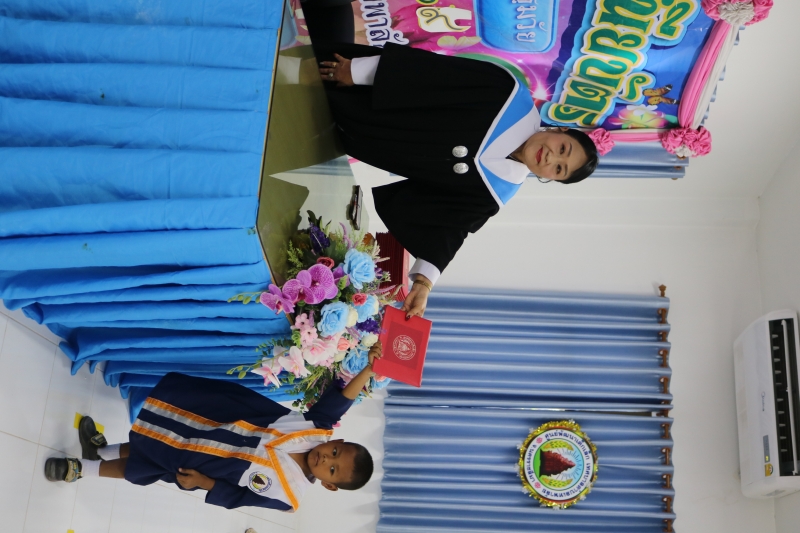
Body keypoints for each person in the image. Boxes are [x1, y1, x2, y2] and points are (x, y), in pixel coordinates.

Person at [302, 5, 599, 318]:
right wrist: (357, 71)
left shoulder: (497, 190)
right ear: (560, 130)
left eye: (559, 169)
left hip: (347, 138)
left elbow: (450, 229)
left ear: (551, 178)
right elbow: (431, 72)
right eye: (563, 148)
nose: (551, 157)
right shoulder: (506, 93)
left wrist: (424, 283)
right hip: (350, 89)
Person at [44, 342, 384, 511]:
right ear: (336, 440)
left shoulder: (289, 497)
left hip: (205, 464)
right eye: (335, 451)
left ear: (329, 485)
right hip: (207, 425)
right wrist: (369, 370)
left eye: (332, 469)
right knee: (153, 439)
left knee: (146, 463)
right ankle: (101, 450)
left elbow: (240, 497)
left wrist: (204, 483)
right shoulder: (316, 428)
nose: (325, 459)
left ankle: (81, 469)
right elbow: (342, 400)